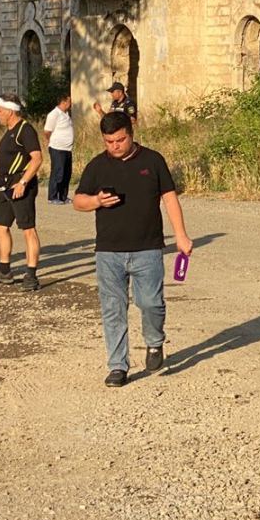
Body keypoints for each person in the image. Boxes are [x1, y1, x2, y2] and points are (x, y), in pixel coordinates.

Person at [73, 110, 193, 388]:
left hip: (148, 249)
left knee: (150, 303)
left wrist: (181, 236)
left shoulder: (153, 161)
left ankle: (154, 342)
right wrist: (97, 202)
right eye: (108, 141)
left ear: (131, 133)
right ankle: (117, 366)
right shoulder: (96, 166)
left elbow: (170, 199)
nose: (115, 146)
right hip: (108, 252)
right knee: (113, 309)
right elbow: (78, 201)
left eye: (120, 140)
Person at [0, 95, 43, 290]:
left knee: (28, 229)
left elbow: (37, 158)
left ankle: (31, 275)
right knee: (0, 225)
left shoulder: (25, 130)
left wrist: (23, 182)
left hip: (20, 186)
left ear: (10, 111)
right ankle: (4, 269)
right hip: (5, 187)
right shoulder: (9, 131)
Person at [44, 91, 75, 204]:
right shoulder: (54, 114)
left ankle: (63, 196)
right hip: (57, 148)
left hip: (67, 149)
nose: (71, 103)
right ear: (64, 102)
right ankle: (52, 197)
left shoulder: (66, 114)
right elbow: (47, 131)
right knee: (58, 173)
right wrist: (50, 141)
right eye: (69, 101)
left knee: (67, 173)